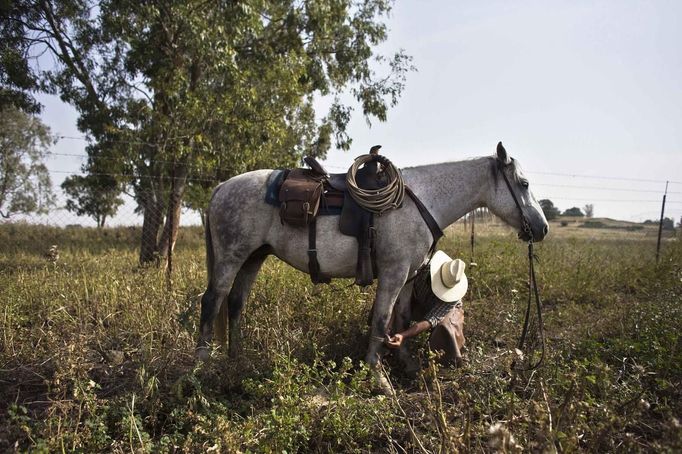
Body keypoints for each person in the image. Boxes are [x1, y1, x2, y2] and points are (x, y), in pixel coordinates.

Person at [385, 250, 467, 351]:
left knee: (446, 328)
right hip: (419, 299)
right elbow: (397, 295)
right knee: (388, 304)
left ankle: (448, 361)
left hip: (441, 310)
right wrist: (389, 323)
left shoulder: (451, 300)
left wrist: (403, 335)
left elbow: (430, 320)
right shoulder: (421, 268)